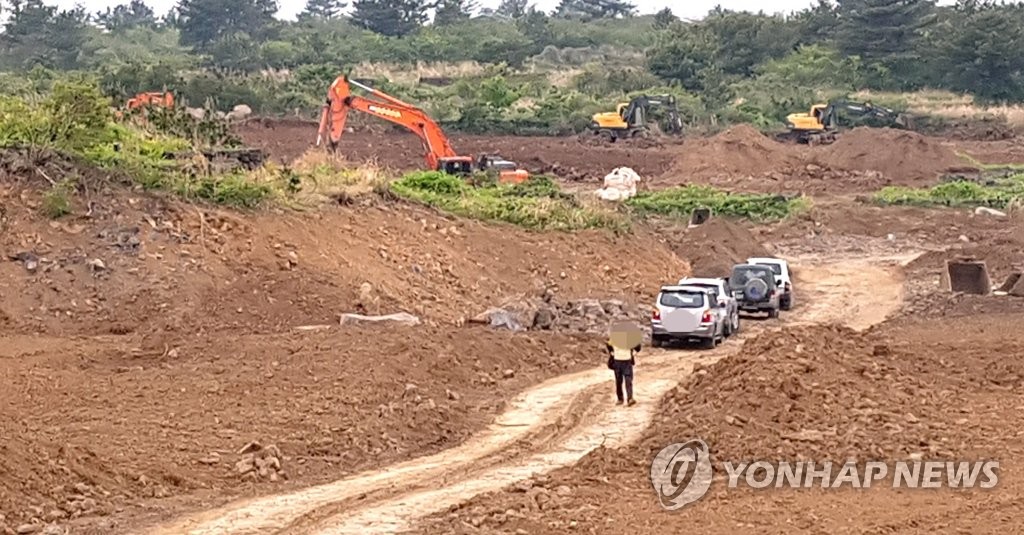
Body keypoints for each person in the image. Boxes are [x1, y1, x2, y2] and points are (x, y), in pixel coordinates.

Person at [606, 340, 640, 406]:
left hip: (617, 361)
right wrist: (632, 353)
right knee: (628, 379)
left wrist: (612, 352)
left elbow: (608, 345)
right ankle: (629, 398)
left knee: (618, 381)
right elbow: (638, 347)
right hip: (627, 361)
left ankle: (620, 399)